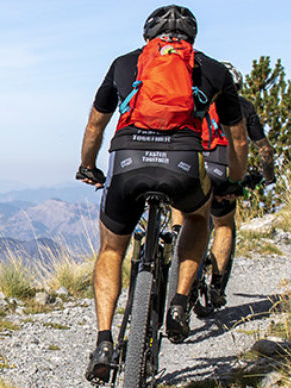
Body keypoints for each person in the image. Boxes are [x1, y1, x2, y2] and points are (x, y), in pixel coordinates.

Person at [77, 5, 248, 383]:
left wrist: (88, 166)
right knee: (199, 217)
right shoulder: (213, 69)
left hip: (127, 159)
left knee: (110, 249)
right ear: (192, 37)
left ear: (147, 34)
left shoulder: (125, 63)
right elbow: (237, 138)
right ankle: (180, 303)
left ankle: (105, 340)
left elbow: (95, 125)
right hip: (183, 163)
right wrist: (234, 181)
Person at [196, 95, 273, 314]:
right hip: (222, 169)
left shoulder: (196, 98)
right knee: (223, 225)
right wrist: (268, 176)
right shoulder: (244, 106)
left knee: (184, 210)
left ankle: (174, 248)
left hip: (193, 165)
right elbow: (265, 150)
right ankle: (216, 287)